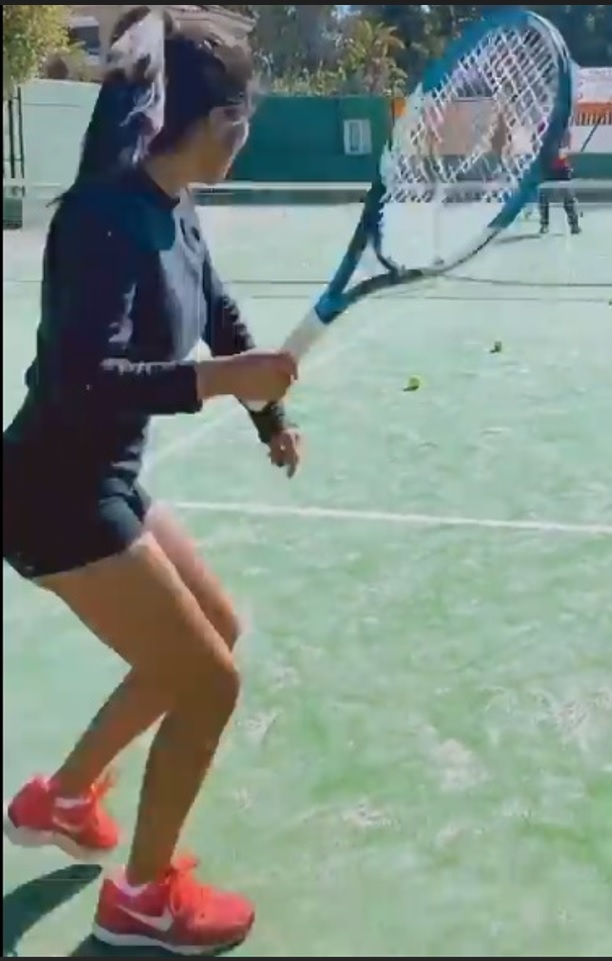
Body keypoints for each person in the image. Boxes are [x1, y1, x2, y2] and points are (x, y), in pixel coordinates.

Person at [2, 7, 299, 954]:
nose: (244, 136)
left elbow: (220, 314)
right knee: (208, 683)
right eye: (241, 119)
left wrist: (267, 414)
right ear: (212, 122)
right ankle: (141, 900)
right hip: (53, 494)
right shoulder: (102, 217)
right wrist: (222, 382)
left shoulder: (175, 204)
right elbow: (83, 379)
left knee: (215, 631)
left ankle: (62, 797)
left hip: (108, 472)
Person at [539, 144, 581, 235]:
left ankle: (574, 225)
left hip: (562, 170)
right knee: (544, 196)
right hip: (549, 170)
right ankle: (544, 224)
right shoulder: (545, 139)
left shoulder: (562, 138)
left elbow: (567, 150)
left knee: (568, 197)